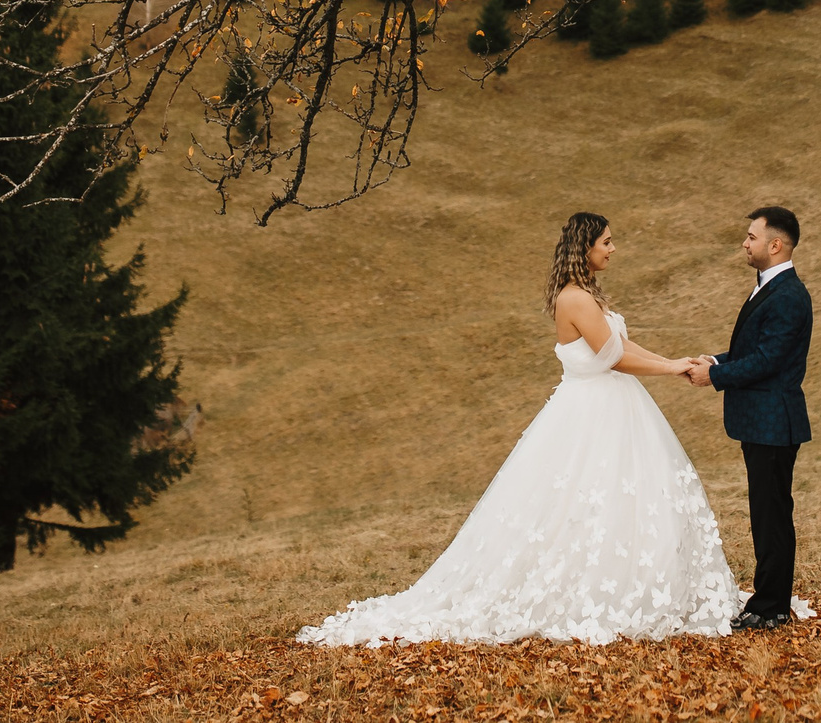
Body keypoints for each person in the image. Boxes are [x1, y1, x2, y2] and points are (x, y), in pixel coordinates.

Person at [296, 211, 744, 645]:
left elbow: (621, 344)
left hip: (616, 405)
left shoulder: (589, 295)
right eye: (606, 241)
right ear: (584, 247)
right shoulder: (574, 297)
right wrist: (670, 372)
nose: (613, 248)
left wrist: (673, 361)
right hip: (591, 412)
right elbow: (613, 357)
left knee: (623, 494)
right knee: (582, 498)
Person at [682, 207, 811, 631]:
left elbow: (768, 361)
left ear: (775, 245)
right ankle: (768, 600)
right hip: (761, 421)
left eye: (752, 236)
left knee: (771, 514)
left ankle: (771, 607)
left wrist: (713, 376)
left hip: (773, 422)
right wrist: (716, 359)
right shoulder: (769, 288)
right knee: (765, 512)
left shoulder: (789, 295)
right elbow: (755, 350)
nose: (745, 242)